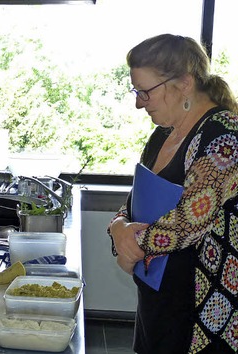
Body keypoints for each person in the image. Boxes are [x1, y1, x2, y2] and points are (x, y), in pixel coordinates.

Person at [108, 34, 238, 353]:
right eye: (136, 91)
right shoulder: (162, 135)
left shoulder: (224, 137)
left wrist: (129, 243)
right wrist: (117, 227)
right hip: (158, 303)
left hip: (204, 314)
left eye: (145, 91)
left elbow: (189, 222)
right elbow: (134, 201)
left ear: (183, 83)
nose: (139, 102)